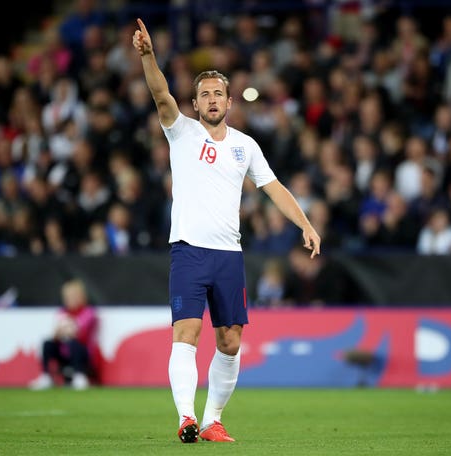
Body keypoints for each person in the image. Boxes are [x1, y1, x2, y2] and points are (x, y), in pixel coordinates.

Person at [132, 19, 321, 443]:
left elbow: (274, 188)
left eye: (218, 93)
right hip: (188, 251)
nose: (212, 100)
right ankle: (186, 418)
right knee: (186, 332)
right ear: (195, 105)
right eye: (204, 95)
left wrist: (305, 223)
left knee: (231, 342)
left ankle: (213, 419)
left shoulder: (245, 145)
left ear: (230, 102)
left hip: (228, 255)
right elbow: (161, 92)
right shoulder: (180, 131)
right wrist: (148, 57)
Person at [29, 279, 99, 390]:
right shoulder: (62, 312)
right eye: (69, 296)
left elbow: (79, 333)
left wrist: (67, 329)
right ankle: (46, 376)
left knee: (73, 344)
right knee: (48, 343)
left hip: (81, 352)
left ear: (82, 296)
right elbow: (58, 334)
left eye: (75, 296)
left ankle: (79, 376)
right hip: (64, 351)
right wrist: (59, 332)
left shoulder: (88, 312)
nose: (71, 299)